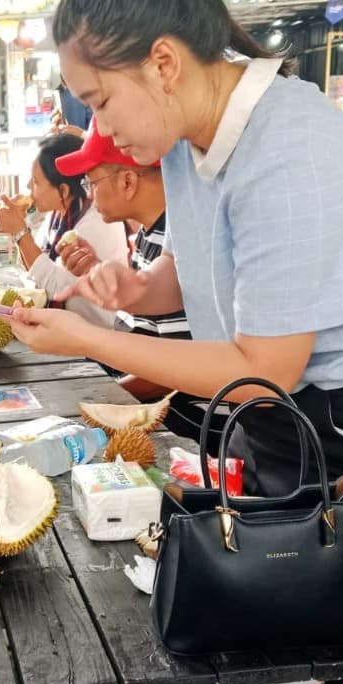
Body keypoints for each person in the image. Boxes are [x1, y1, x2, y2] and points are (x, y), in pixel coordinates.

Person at [8, 0, 343, 684]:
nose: (100, 127)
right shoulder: (191, 135)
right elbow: (190, 273)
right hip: (272, 415)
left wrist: (89, 340)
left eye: (98, 100)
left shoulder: (292, 150)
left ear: (162, 63)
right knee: (253, 650)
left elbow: (264, 365)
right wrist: (134, 286)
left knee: (320, 666)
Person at [52, 119, 211, 447]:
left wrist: (105, 401)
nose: (90, 193)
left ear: (127, 182)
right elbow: (144, 324)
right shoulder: (149, 235)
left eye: (91, 181)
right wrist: (97, 271)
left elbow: (167, 371)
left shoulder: (176, 240)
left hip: (183, 426)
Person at [0, 133, 129, 328]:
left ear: (64, 191)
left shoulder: (98, 222)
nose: (28, 187)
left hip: (96, 338)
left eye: (36, 182)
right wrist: (21, 229)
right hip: (68, 330)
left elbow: (56, 287)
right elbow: (35, 274)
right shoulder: (59, 215)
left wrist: (21, 234)